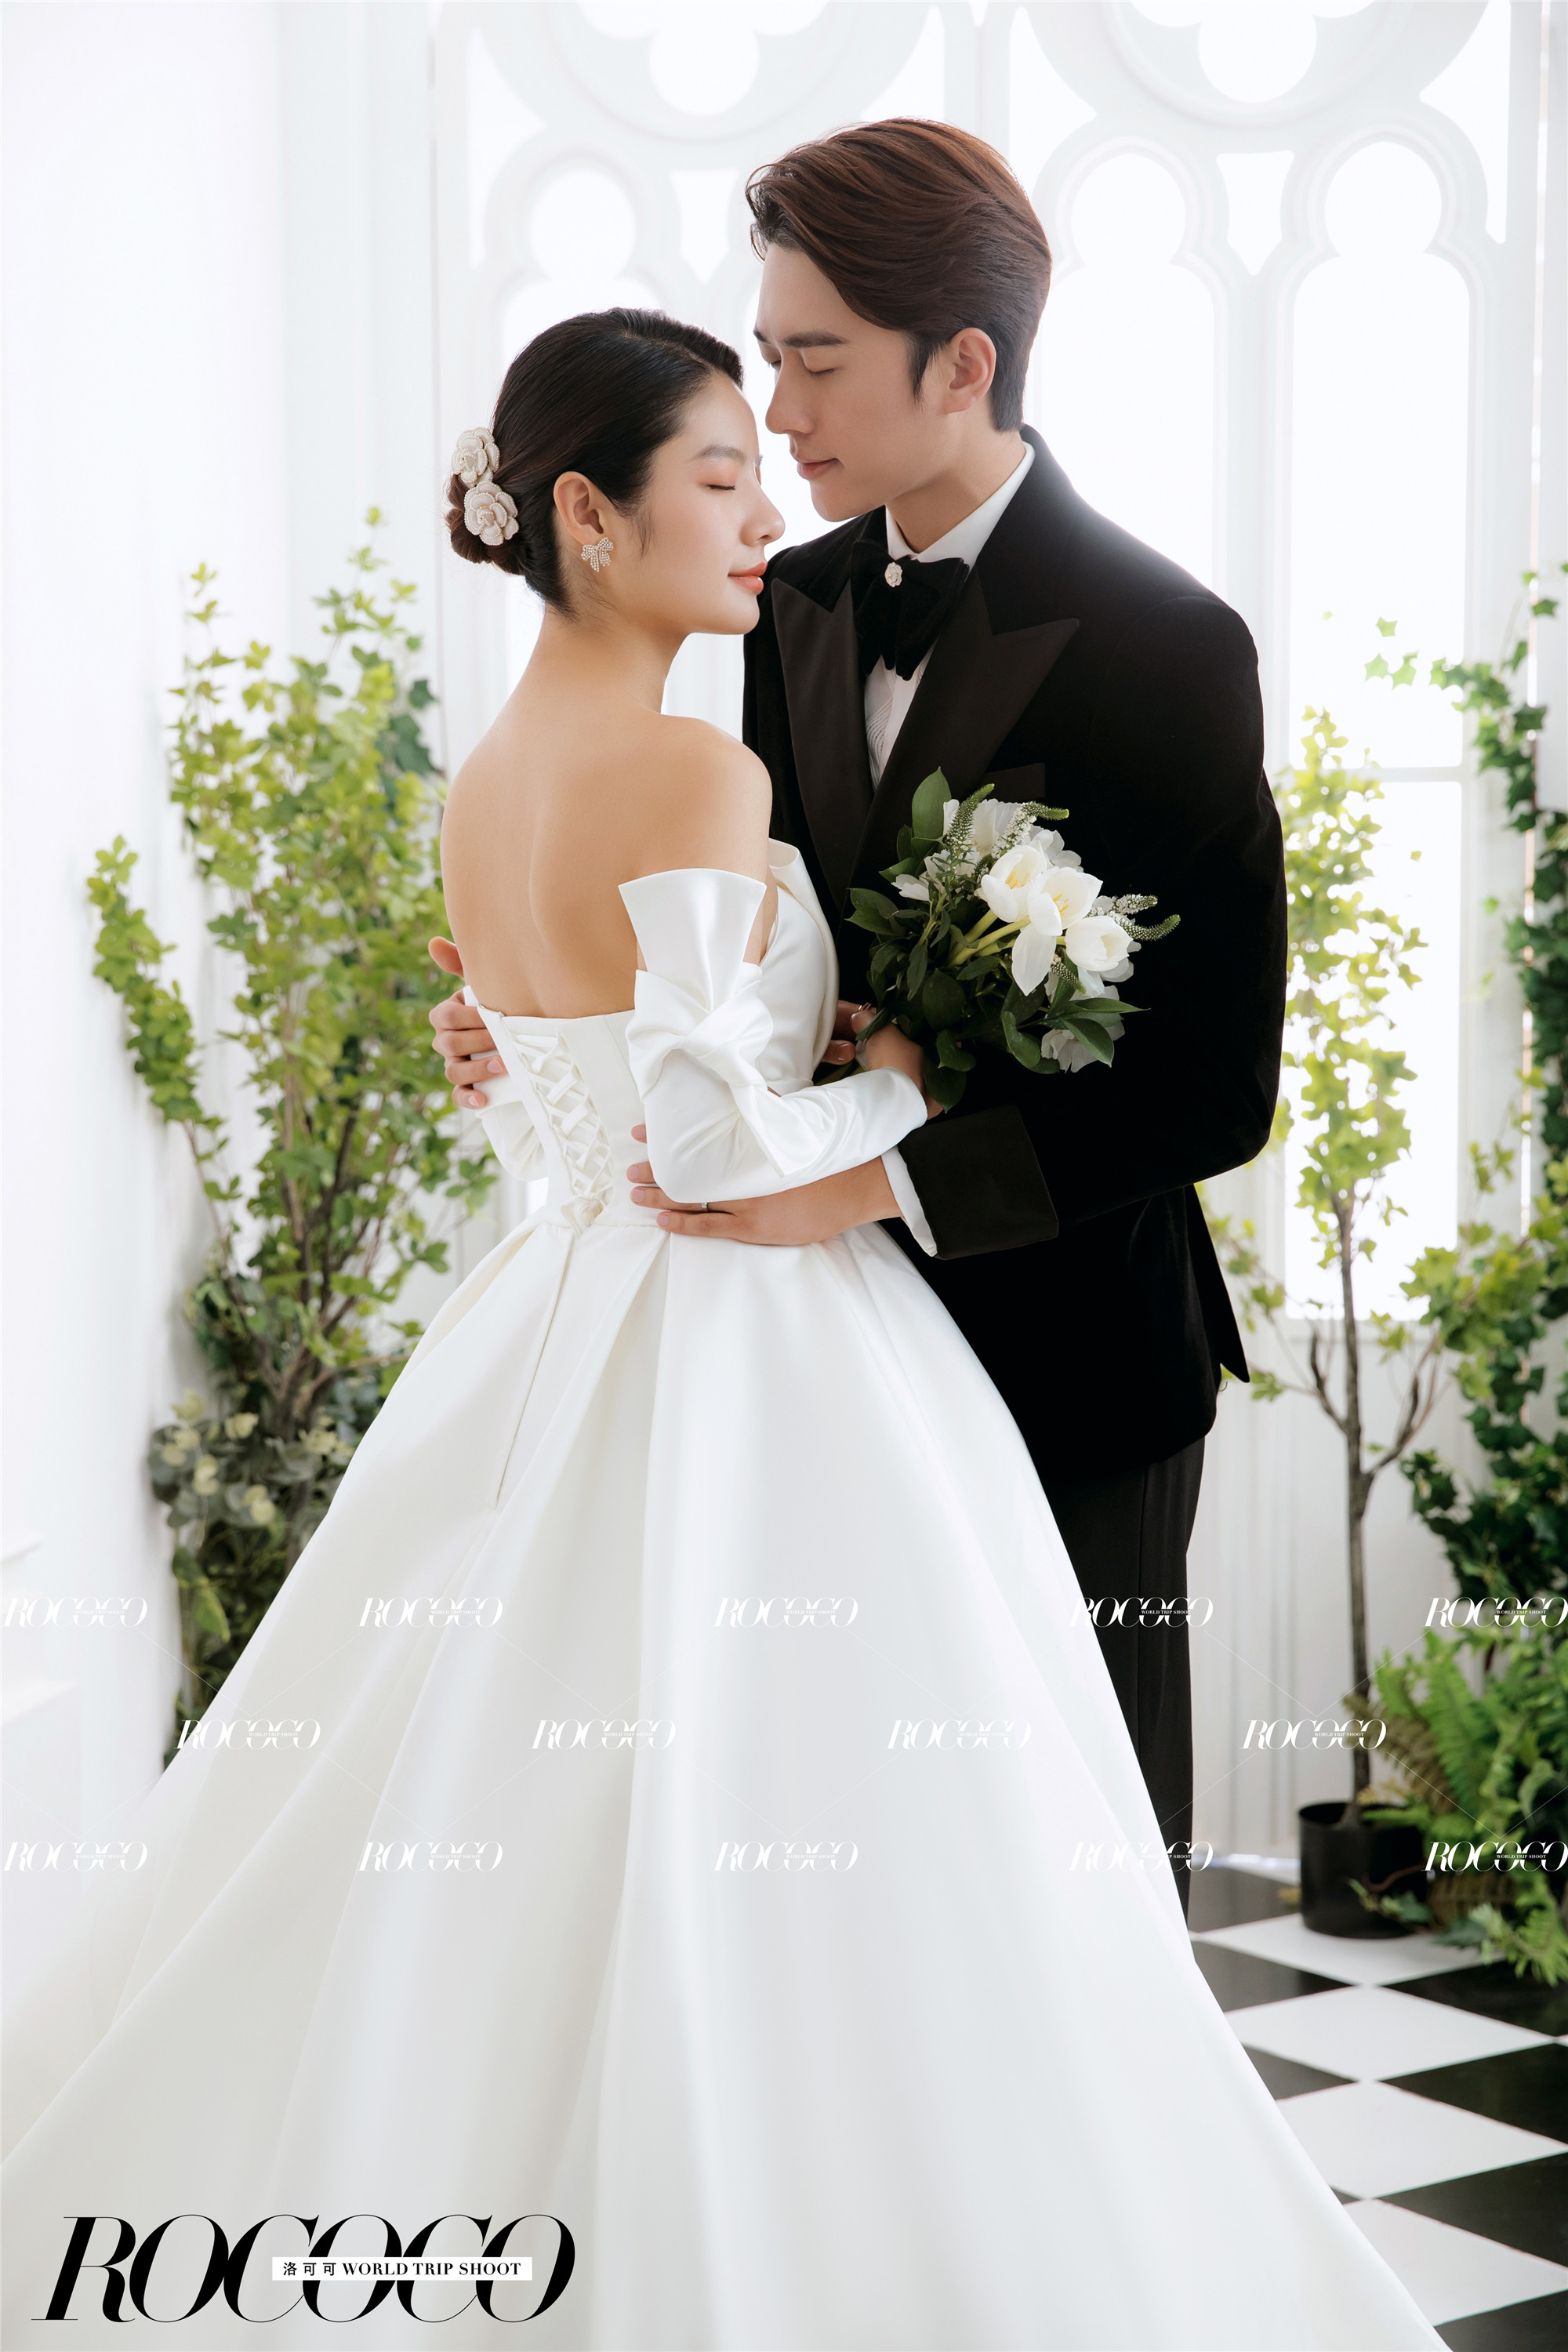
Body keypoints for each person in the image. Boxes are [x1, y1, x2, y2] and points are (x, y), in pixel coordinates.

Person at [3, 306, 1439, 2351]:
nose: (764, 500)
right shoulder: (695, 759)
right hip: (748, 1335)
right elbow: (706, 1152)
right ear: (587, 521)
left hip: (550, 1313)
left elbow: (569, 1102)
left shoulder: (486, 778)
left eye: (779, 433)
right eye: (716, 471)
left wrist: (650, 1050)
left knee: (523, 1817)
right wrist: (908, 1090)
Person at [434, 123, 1287, 1907]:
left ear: (961, 364)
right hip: (799, 1361)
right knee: (846, 1888)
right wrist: (562, 1037)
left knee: (1079, 1884)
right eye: (767, 357)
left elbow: (1210, 1082)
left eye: (816, 361)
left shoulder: (1168, 643)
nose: (781, 411)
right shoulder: (789, 602)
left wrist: (871, 1181)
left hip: (1069, 1357)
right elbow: (760, 957)